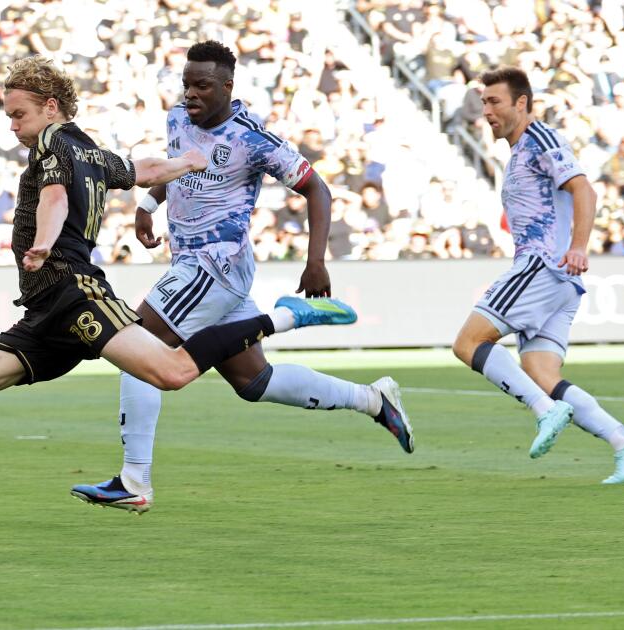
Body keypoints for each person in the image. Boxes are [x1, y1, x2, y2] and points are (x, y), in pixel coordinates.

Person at [0, 56, 352, 510]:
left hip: (74, 292)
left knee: (172, 371)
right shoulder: (89, 150)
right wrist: (179, 166)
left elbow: (54, 198)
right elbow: (138, 170)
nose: (12, 126)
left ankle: (286, 316)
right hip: (45, 312)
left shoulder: (51, 143)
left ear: (49, 107)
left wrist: (43, 242)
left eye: (17, 114)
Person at [71, 41, 414, 513]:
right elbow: (180, 169)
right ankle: (374, 399)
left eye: (202, 85)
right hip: (195, 264)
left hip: (214, 264)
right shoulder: (178, 118)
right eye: (186, 83)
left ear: (228, 87)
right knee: (255, 381)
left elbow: (317, 188)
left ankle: (134, 479)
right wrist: (150, 204)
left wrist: (316, 261)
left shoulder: (252, 139)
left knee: (138, 345)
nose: (190, 93)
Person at [451, 67, 624, 484]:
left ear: (521, 103)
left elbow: (584, 189)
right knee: (541, 373)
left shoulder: (538, 137)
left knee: (468, 343)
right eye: (484, 102)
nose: (486, 110)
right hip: (561, 280)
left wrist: (578, 246)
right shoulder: (518, 151)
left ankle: (545, 410)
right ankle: (623, 440)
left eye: (494, 102)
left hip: (542, 267)